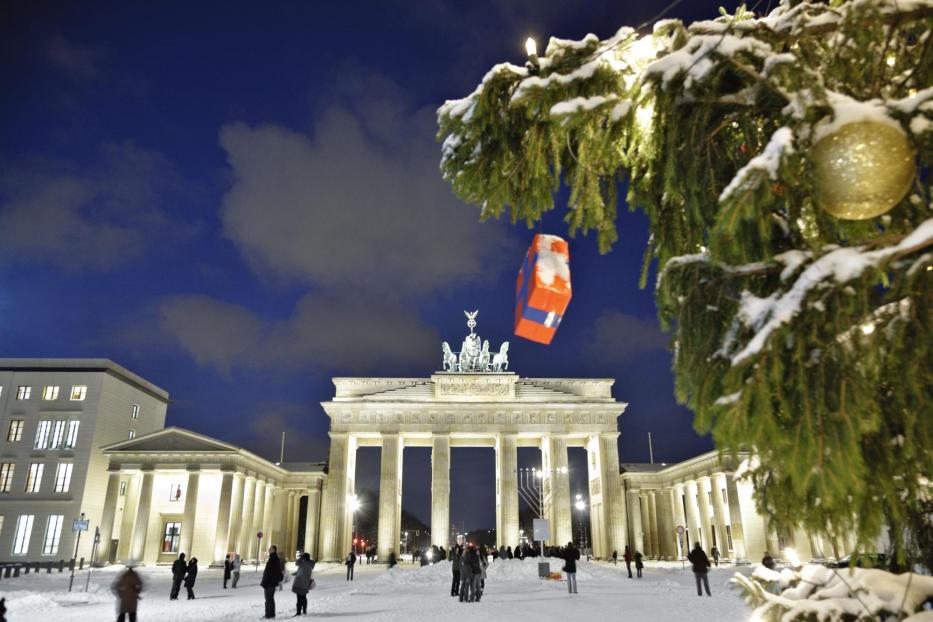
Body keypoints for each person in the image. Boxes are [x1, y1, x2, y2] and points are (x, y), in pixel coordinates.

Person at [261, 546, 284, 619]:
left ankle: (268, 615)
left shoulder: (274, 559)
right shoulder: (274, 558)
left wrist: (266, 581)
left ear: (274, 550)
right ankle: (271, 614)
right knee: (270, 599)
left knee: (268, 599)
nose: (269, 550)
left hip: (270, 582)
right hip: (271, 582)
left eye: (270, 549)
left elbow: (271, 572)